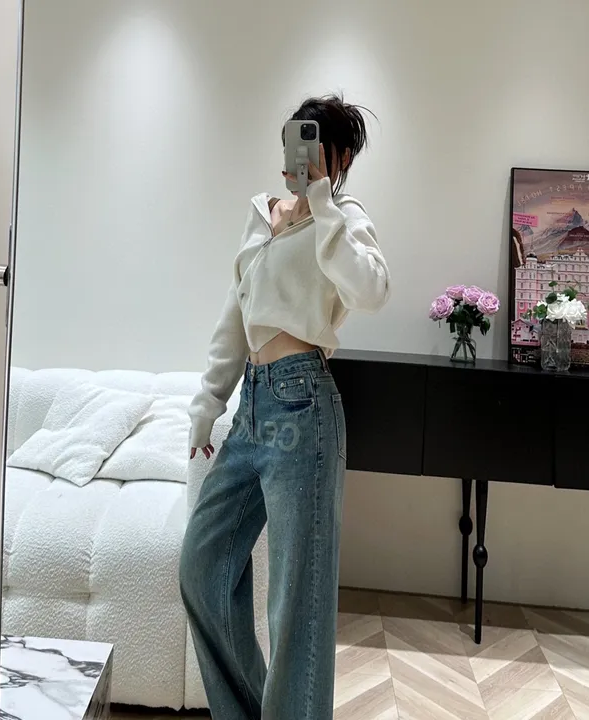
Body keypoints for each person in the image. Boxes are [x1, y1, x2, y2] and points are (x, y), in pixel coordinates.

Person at [179, 95, 390, 720]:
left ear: (339, 158)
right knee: (203, 566)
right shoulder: (261, 214)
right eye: (296, 140)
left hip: (305, 407)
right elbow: (236, 313)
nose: (299, 156)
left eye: (317, 145)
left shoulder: (344, 218)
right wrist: (208, 401)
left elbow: (372, 290)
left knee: (298, 603)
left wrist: (323, 202)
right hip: (252, 405)